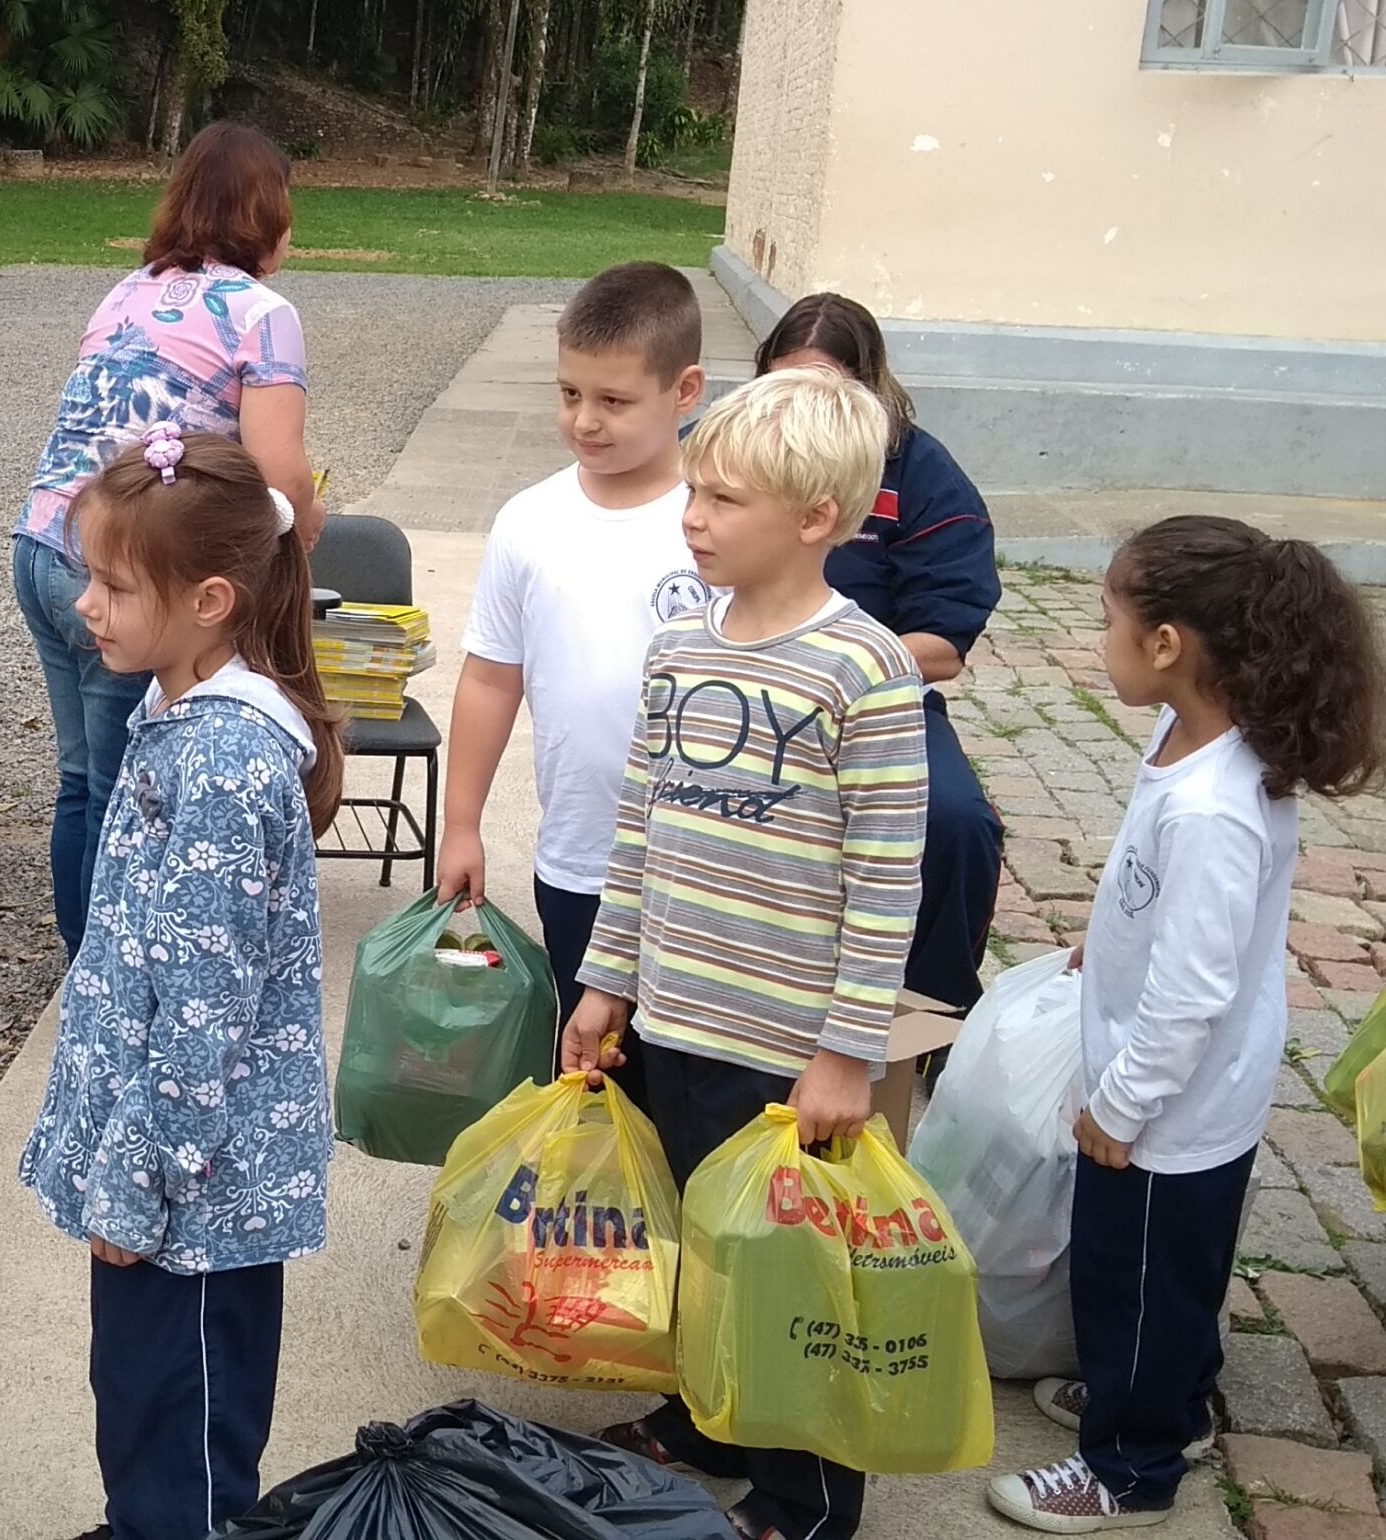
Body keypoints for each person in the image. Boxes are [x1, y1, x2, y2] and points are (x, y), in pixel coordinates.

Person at [570, 368, 928, 1540]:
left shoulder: (863, 672)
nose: (692, 517)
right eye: (694, 492)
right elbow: (642, 827)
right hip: (672, 1016)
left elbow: (885, 886)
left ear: (814, 519)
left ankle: (806, 1496)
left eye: (722, 500)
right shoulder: (680, 645)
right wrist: (606, 978)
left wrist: (845, 1055)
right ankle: (702, 1417)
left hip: (783, 1053)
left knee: (785, 1276)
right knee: (697, 1245)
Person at [987, 517, 1386, 1533]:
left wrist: (1119, 1106)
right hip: (1184, 1094)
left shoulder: (1212, 804)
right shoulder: (1193, 744)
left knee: (1134, 1280)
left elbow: (1193, 991)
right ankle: (1168, 1395)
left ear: (1166, 644)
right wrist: (1104, 936)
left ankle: (1130, 1466)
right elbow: (1165, 902)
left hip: (1165, 1109)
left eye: (1107, 618)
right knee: (1169, 1281)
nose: (1097, 641)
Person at [16, 429, 342, 1540]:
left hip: (192, 1193)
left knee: (183, 1418)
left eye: (111, 585)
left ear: (209, 599)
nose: (84, 608)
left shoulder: (220, 762)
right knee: (145, 1400)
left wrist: (141, 1180)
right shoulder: (179, 718)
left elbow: (203, 1015)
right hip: (169, 1176)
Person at [16, 120, 324, 958]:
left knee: (82, 777)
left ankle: (76, 957)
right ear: (270, 216)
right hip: (129, 569)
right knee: (128, 785)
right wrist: (308, 530)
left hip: (43, 542)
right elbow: (276, 474)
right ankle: (102, 970)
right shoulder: (264, 313)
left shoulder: (126, 289)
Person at [437, 260, 710, 1109]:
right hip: (583, 860)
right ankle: (602, 1239)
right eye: (568, 395)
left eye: (614, 401)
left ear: (686, 391)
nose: (584, 421)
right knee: (596, 1077)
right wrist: (461, 823)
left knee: (693, 1088)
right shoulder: (531, 521)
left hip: (705, 866)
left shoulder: (716, 518)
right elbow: (490, 678)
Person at [757, 293, 1004, 1017]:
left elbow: (943, 646)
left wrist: (831, 667)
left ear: (866, 388)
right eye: (782, 385)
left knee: (958, 823)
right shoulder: (726, 451)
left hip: (877, 699)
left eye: (823, 388)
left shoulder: (920, 474)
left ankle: (931, 1009)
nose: (799, 405)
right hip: (733, 685)